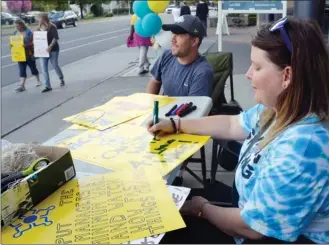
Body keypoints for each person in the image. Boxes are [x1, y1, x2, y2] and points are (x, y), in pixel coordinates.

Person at [148, 17, 329, 244]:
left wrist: (200, 207)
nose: (248, 74)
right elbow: (233, 124)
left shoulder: (303, 146)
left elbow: (252, 228)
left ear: (287, 76)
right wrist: (176, 124)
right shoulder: (276, 109)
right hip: (245, 209)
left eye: (258, 66)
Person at [146, 14, 213, 97]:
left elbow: (194, 107)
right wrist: (149, 105)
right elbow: (155, 81)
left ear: (194, 41)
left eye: (178, 35)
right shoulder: (167, 55)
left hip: (181, 110)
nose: (172, 40)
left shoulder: (202, 72)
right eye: (173, 34)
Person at [38, 13, 65, 93]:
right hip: (43, 50)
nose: (38, 20)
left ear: (44, 19)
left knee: (54, 65)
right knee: (44, 68)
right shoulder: (39, 28)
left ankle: (61, 78)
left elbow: (55, 38)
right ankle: (48, 86)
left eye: (39, 18)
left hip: (53, 49)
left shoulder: (52, 26)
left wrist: (50, 46)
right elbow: (37, 39)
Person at [12, 19, 41, 92]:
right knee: (22, 70)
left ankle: (38, 81)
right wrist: (12, 46)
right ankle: (22, 86)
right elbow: (13, 42)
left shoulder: (28, 32)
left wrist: (26, 45)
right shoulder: (15, 33)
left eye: (18, 26)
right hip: (20, 55)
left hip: (29, 54)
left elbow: (33, 42)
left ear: (22, 25)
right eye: (15, 26)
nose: (17, 27)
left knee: (33, 68)